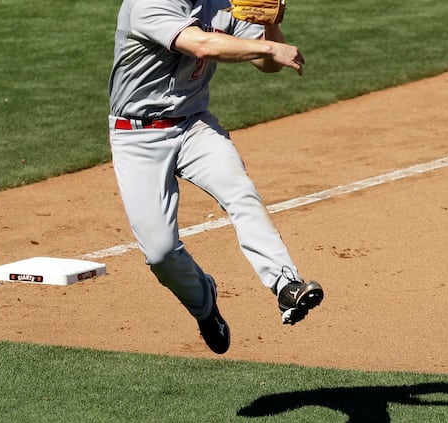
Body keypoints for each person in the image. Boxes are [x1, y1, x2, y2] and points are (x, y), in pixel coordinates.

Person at [107, 0, 324, 354]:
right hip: (137, 135)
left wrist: (270, 27)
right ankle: (202, 302)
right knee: (161, 253)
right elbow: (201, 44)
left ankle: (286, 285)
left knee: (240, 192)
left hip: (194, 124)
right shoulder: (149, 3)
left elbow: (266, 65)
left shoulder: (225, 5)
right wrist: (271, 45)